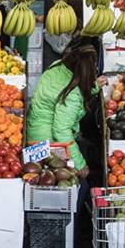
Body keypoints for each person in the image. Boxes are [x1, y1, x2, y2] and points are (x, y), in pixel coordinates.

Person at [24, 36, 106, 175]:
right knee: (77, 183)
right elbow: (61, 131)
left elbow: (64, 89)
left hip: (34, 135)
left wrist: (93, 87)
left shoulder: (56, 66)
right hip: (50, 144)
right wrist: (80, 165)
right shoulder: (72, 93)